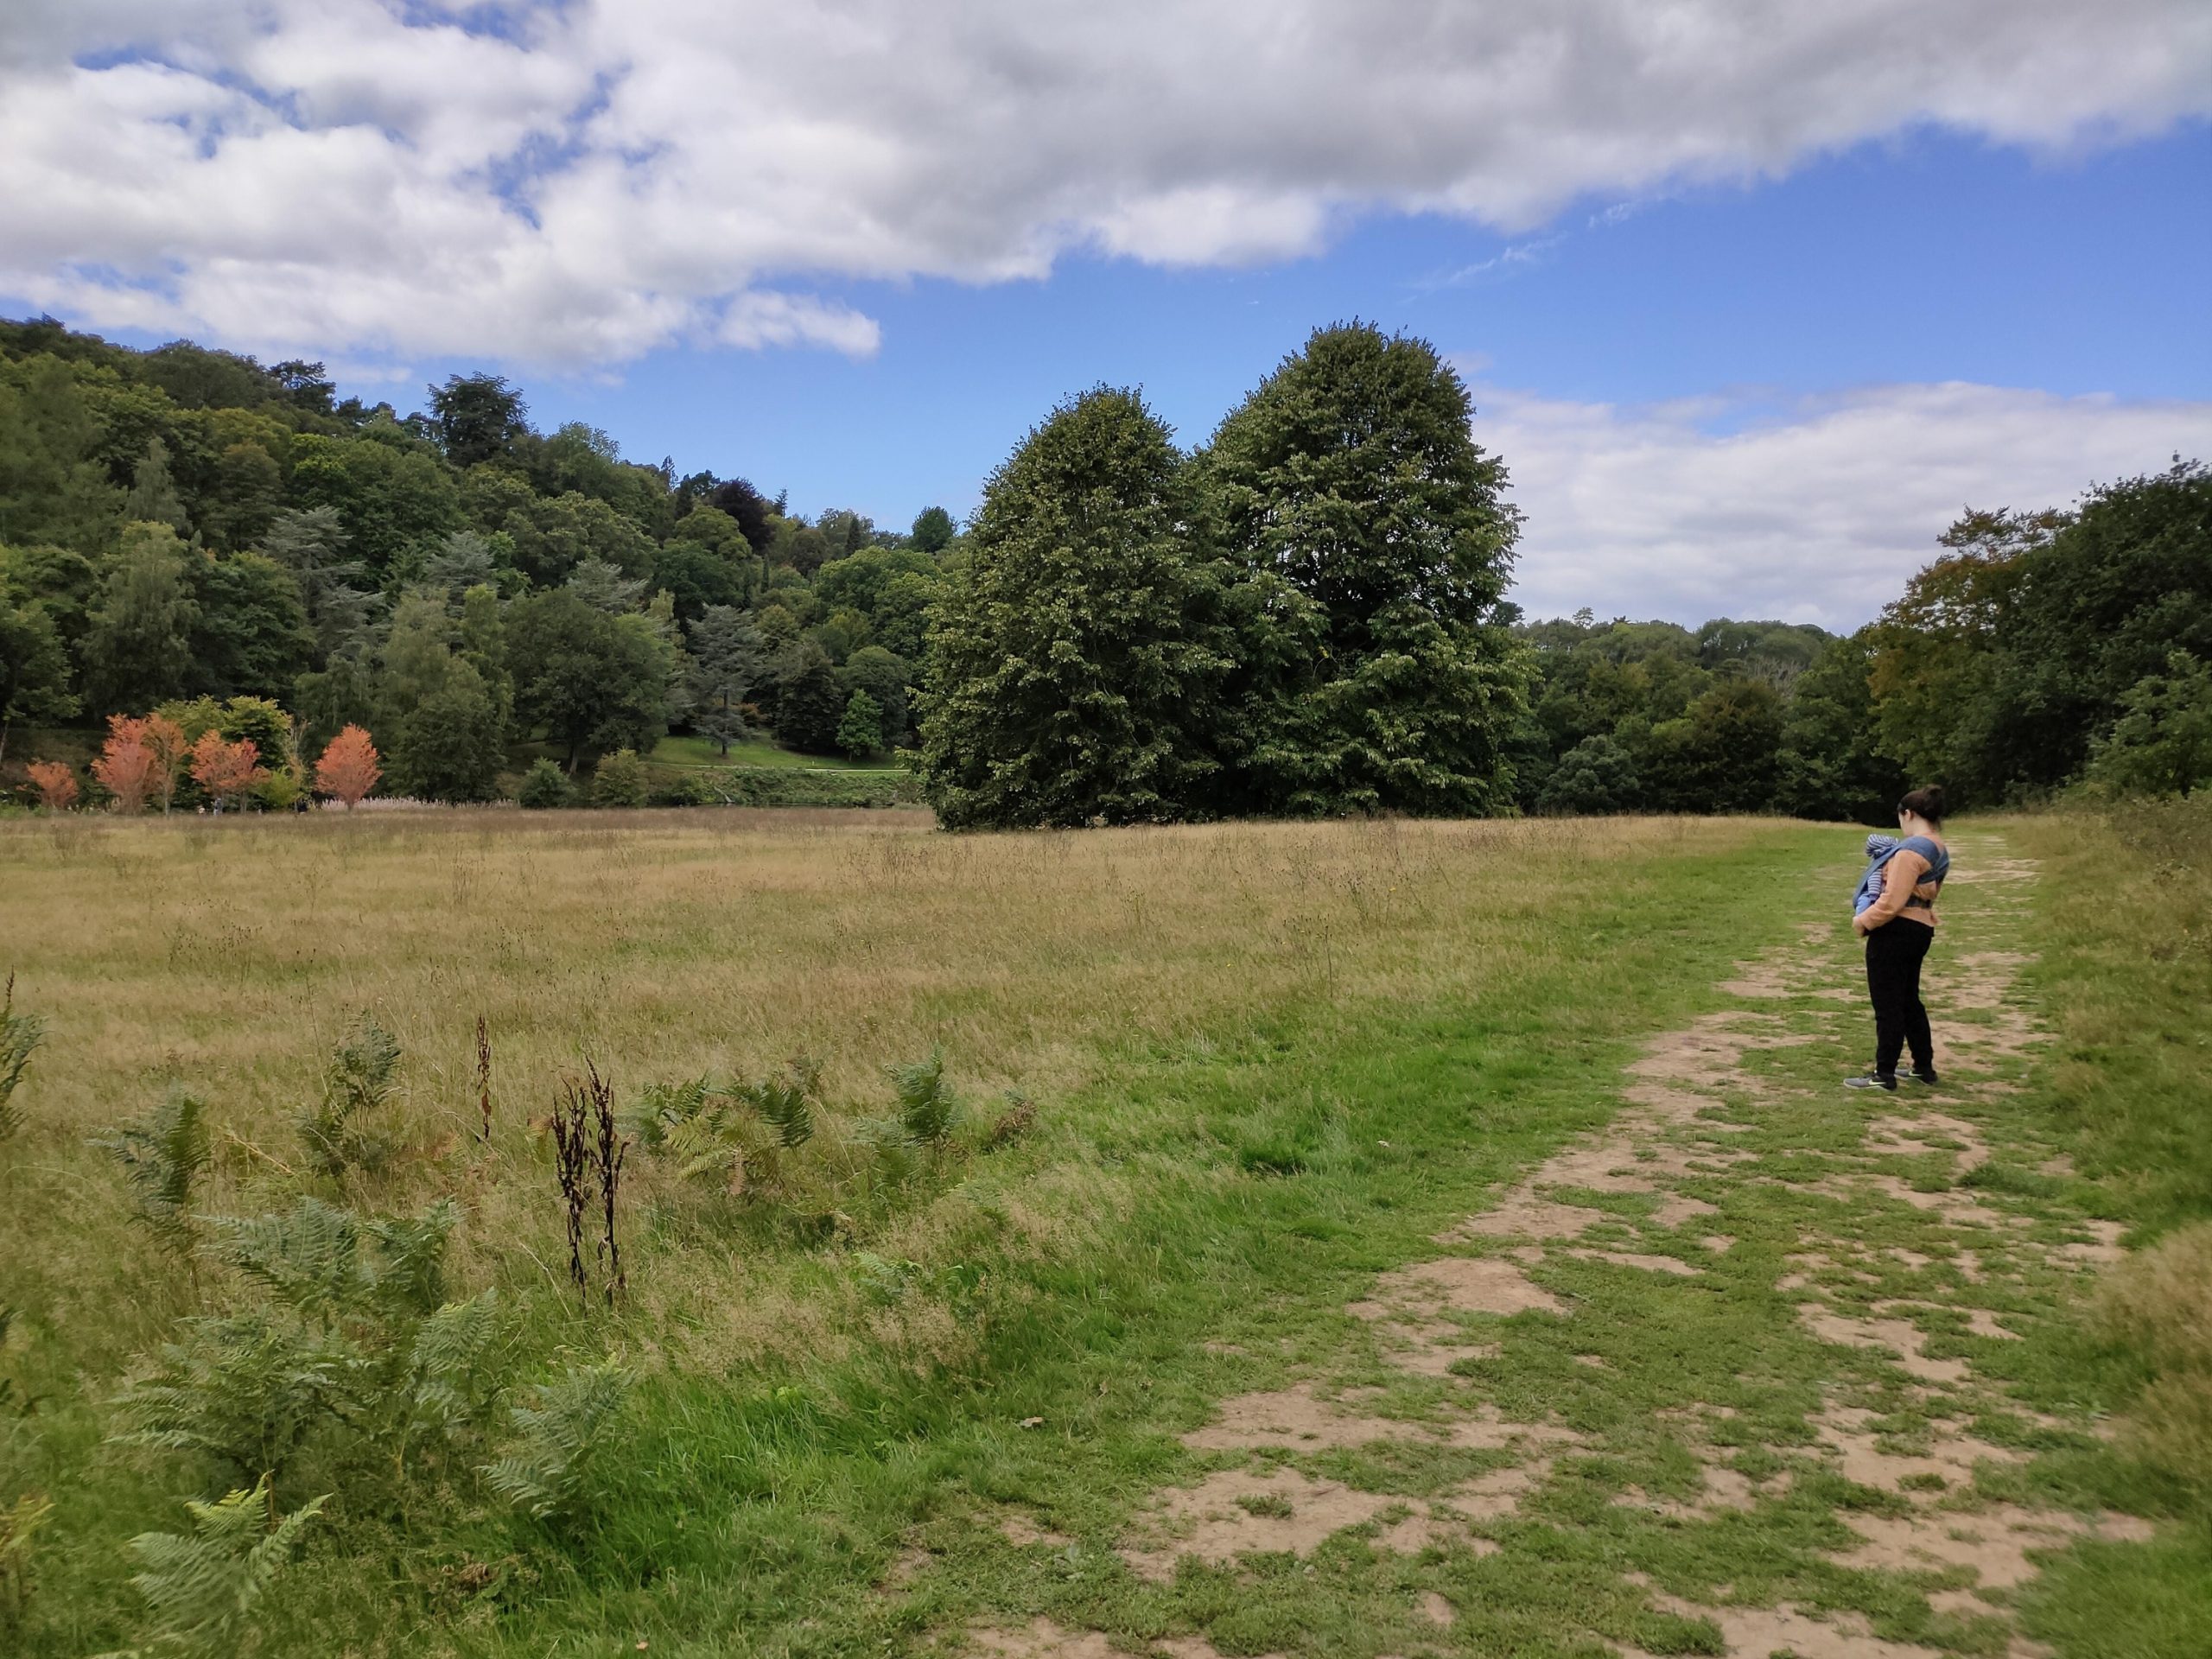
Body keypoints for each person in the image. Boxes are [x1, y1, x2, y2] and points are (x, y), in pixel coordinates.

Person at [1845, 785, 1951, 1091]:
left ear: (1909, 814)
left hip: (1895, 930)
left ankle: (1884, 1074)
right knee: (1908, 1000)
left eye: (1901, 818)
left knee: (1887, 1004)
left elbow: (1892, 901)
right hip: (1921, 928)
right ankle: (1923, 1067)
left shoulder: (1909, 851)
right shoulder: (1938, 847)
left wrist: (1863, 922)